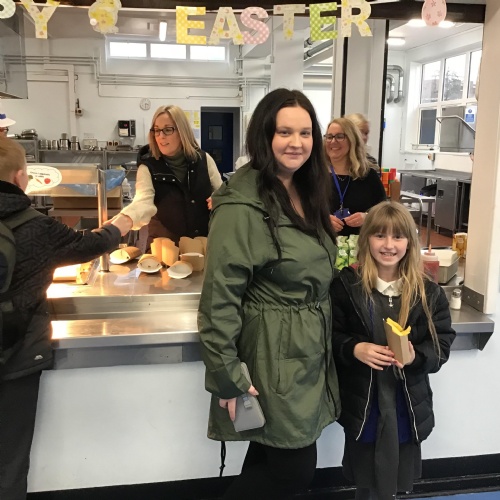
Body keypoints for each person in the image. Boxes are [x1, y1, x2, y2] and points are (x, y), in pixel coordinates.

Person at [198, 88, 340, 500]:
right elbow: (218, 300)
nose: (297, 143)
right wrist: (228, 378)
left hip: (305, 350)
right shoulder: (242, 207)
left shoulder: (305, 190)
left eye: (305, 133)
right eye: (284, 132)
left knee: (269, 454)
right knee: (293, 471)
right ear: (264, 136)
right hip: (271, 355)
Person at [0, 137, 130, 500]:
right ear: (21, 178)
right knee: (10, 461)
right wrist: (121, 224)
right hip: (16, 356)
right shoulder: (37, 227)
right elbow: (89, 245)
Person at [331, 201, 456, 500]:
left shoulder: (427, 292)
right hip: (365, 404)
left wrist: (416, 357)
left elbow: (441, 343)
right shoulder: (346, 286)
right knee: (365, 476)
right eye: (380, 235)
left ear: (409, 242)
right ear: (366, 239)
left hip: (406, 404)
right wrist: (354, 349)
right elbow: (328, 336)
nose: (388, 245)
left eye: (397, 236)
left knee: (395, 475)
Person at [109, 105, 223, 246]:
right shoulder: (148, 166)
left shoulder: (204, 160)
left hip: (202, 245)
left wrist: (219, 199)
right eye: (157, 130)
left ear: (182, 131)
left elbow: (221, 192)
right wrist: (126, 218)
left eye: (168, 130)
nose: (161, 136)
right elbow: (143, 202)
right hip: (164, 248)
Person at [325, 117, 386, 236]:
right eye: (329, 136)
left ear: (352, 140)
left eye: (339, 136)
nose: (333, 141)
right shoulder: (315, 174)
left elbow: (385, 212)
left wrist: (367, 217)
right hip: (322, 242)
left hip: (359, 243)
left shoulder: (368, 176)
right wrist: (322, 219)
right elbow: (300, 211)